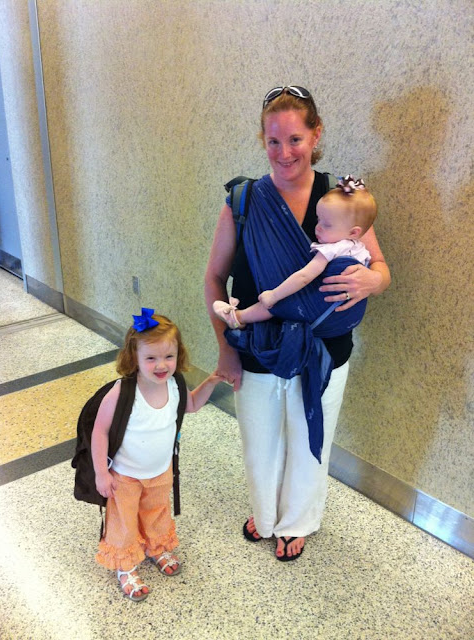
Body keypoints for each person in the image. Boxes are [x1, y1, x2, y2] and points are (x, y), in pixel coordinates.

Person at [204, 86, 390, 562]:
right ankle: (266, 514)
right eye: (273, 141)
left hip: (325, 349)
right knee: (260, 438)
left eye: (295, 139)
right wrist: (225, 349)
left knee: (310, 438)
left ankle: (297, 521)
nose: (284, 152)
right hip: (257, 345)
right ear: (263, 141)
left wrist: (372, 281)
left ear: (315, 135)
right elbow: (214, 278)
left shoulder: (341, 200)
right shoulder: (243, 201)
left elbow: (380, 269)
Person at [91, 309, 224, 601]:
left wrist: (211, 381)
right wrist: (101, 472)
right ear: (134, 358)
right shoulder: (123, 392)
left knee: (157, 512)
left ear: (179, 355)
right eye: (151, 358)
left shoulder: (175, 385)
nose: (161, 365)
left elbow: (190, 405)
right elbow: (100, 431)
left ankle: (157, 547)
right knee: (124, 521)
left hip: (161, 471)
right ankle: (126, 566)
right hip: (125, 475)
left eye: (169, 356)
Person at [212, 176, 376, 329]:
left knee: (276, 304)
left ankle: (238, 317)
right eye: (318, 219)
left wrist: (273, 295)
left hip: (317, 310)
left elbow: (304, 277)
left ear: (354, 232)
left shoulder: (331, 249)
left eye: (326, 225)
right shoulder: (360, 250)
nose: (318, 227)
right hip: (341, 319)